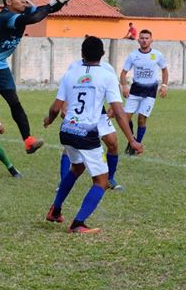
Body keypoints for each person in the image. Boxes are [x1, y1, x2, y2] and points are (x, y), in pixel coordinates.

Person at [43, 36, 141, 233]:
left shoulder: (70, 74)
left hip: (67, 130)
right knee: (102, 182)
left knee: (77, 168)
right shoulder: (107, 76)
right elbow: (119, 112)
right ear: (103, 54)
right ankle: (78, 223)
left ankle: (55, 210)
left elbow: (55, 107)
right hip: (86, 134)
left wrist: (49, 120)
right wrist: (132, 139)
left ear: (81, 54)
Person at [0, 0, 77, 155]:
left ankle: (28, 141)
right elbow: (34, 19)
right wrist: (53, 2)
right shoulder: (6, 16)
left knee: (14, 102)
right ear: (8, 2)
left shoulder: (23, 11)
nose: (24, 1)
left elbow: (46, 11)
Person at [57, 56, 127, 191]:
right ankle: (63, 181)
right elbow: (68, 88)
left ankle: (110, 179)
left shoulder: (106, 68)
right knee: (71, 146)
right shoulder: (74, 67)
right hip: (79, 114)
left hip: (99, 112)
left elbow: (115, 85)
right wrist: (64, 106)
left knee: (112, 143)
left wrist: (113, 105)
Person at [119, 29, 169, 154]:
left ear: (151, 40)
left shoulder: (157, 55)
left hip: (150, 92)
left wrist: (164, 85)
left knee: (141, 119)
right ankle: (132, 141)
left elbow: (164, 70)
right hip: (135, 90)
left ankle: (135, 147)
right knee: (125, 118)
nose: (144, 40)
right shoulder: (133, 55)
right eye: (142, 38)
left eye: (147, 38)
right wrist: (124, 86)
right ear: (138, 40)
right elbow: (123, 73)